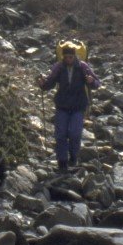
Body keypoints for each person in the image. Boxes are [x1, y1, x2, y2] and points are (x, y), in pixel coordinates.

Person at [38, 42, 100, 171]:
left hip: (78, 106)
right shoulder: (59, 67)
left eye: (70, 57)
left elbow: (96, 83)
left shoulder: (83, 67)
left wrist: (91, 81)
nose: (68, 59)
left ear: (74, 56)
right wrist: (42, 84)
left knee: (74, 133)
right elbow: (49, 84)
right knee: (60, 134)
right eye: (66, 57)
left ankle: (73, 157)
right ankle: (62, 162)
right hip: (62, 106)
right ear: (63, 57)